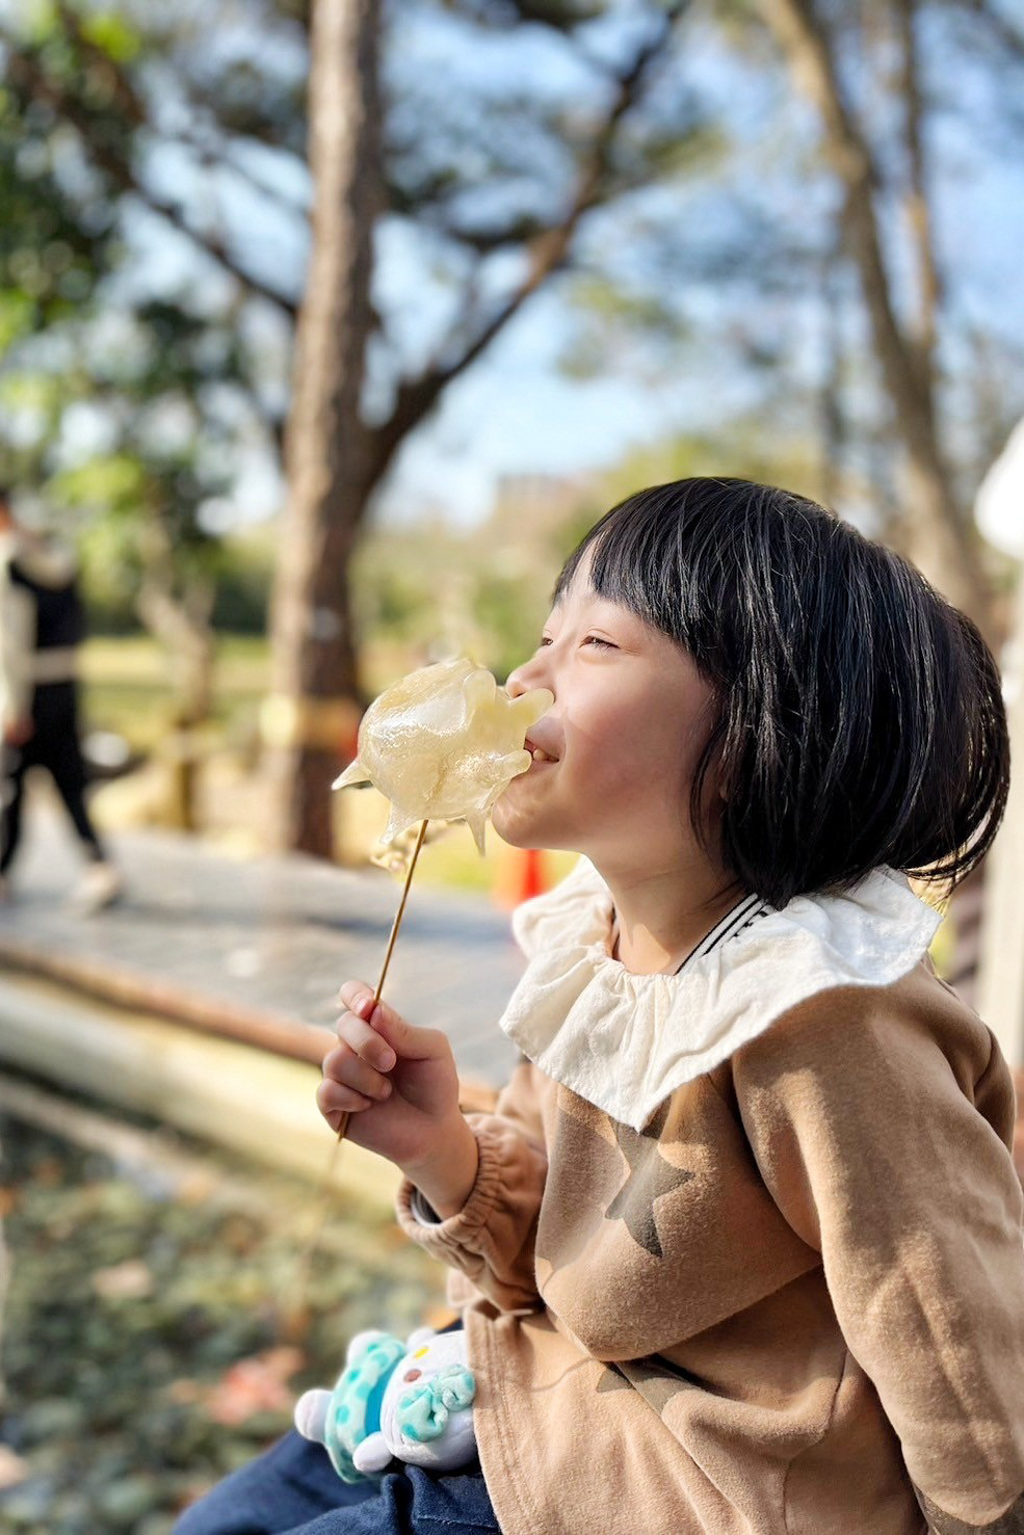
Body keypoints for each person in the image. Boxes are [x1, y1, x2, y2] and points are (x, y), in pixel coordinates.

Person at [177, 479, 1024, 1534]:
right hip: (528, 1402)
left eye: (596, 645)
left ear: (768, 720)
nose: (524, 679)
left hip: (677, 1490)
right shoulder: (593, 954)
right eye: (543, 634)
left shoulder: (823, 1016)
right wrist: (439, 1146)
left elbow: (955, 1344)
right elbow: (556, 1261)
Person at [0, 489, 121, 911]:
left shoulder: (9, 564)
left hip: (26, 694)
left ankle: (3, 872)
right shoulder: (58, 559)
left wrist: (12, 707)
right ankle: (99, 865)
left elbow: (11, 642)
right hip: (65, 686)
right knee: (69, 782)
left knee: (11, 788)